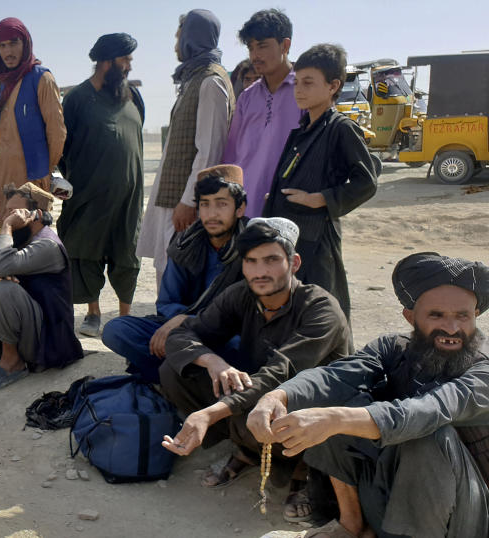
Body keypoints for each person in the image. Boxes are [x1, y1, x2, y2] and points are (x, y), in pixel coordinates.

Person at [249, 252, 489, 537]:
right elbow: (335, 376)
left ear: (475, 316)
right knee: (339, 399)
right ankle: (352, 526)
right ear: (410, 317)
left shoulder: (482, 373)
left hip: (461, 517)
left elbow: (426, 411)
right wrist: (277, 397)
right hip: (393, 491)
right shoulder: (394, 347)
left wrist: (336, 419)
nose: (452, 328)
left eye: (462, 316)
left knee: (427, 434)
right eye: (436, 315)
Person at [160, 217, 351, 520]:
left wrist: (209, 414)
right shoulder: (241, 295)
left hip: (305, 403)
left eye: (272, 260)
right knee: (176, 371)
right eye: (251, 261)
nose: (260, 272)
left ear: (294, 262)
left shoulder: (320, 308)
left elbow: (281, 372)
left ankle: (306, 469)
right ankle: (247, 449)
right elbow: (184, 334)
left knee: (278, 401)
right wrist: (213, 362)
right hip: (258, 396)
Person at [263, 44, 377, 320]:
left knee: (323, 308)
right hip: (289, 235)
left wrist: (321, 199)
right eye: (297, 83)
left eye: (309, 83)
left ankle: (335, 362)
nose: (299, 90)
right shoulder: (302, 129)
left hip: (317, 236)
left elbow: (367, 181)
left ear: (333, 86)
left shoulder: (341, 128)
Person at [104, 165, 247, 382]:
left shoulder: (253, 247)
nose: (212, 214)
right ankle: (188, 378)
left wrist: (188, 319)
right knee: (116, 330)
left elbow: (248, 315)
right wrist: (182, 321)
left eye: (222, 204)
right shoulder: (185, 245)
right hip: (184, 331)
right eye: (205, 204)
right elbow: (168, 302)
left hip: (226, 333)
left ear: (240, 208)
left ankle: (174, 377)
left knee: (238, 347)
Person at [0, 182, 83, 393]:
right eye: (7, 212)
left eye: (14, 212)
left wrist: (6, 227)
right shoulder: (18, 237)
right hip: (24, 329)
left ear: (37, 214)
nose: (7, 217)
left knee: (5, 288)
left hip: (47, 340)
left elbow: (3, 265)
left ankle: (11, 362)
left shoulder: (47, 245)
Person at [137, 10, 234, 284]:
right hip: (175, 200)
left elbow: (209, 150)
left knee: (179, 281)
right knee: (167, 276)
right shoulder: (194, 79)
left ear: (191, 38)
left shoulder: (210, 82)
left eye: (179, 37)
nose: (175, 45)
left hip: (185, 205)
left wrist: (189, 201)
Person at [58, 32, 145, 337]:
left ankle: (124, 316)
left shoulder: (134, 97)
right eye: (126, 59)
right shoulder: (78, 99)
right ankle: (93, 313)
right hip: (88, 193)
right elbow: (61, 147)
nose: (130, 66)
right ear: (107, 62)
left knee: (127, 253)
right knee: (86, 250)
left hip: (130, 196)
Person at [0, 17, 65, 219]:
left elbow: (57, 132)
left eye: (14, 43)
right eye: (2, 45)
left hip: (30, 177)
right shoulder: (5, 83)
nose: (8, 52)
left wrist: (44, 170)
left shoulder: (41, 78)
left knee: (26, 235)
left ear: (25, 43)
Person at [222, 9, 302, 218]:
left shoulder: (304, 92)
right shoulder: (247, 98)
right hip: (245, 210)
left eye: (262, 46)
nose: (255, 55)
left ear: (285, 45)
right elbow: (231, 156)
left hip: (289, 209)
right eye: (251, 48)